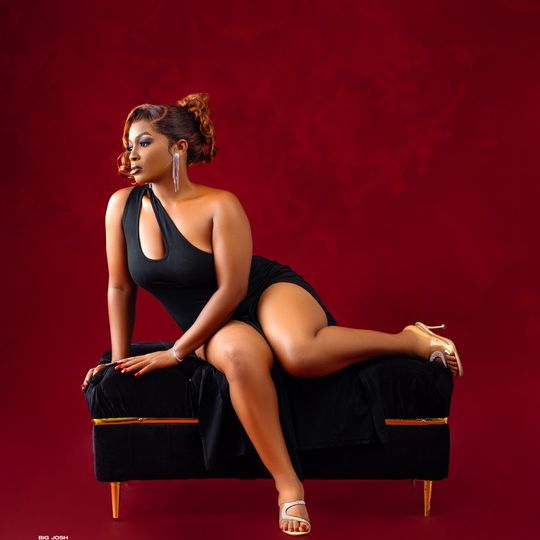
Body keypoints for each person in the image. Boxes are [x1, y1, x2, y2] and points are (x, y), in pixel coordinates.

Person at [81, 92, 463, 536]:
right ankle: (289, 487)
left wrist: (176, 352)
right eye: (129, 144)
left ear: (179, 148)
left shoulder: (221, 204)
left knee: (299, 354)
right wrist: (117, 361)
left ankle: (408, 340)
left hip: (261, 290)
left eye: (145, 142)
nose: (131, 154)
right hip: (211, 321)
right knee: (239, 355)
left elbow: (233, 289)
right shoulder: (121, 206)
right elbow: (120, 287)